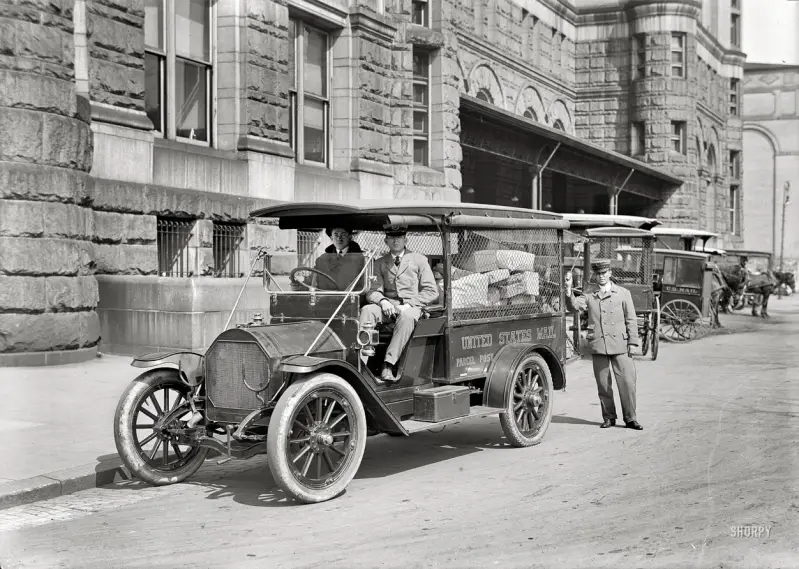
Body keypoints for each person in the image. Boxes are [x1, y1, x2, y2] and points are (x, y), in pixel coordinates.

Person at [564, 259, 643, 430]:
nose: (601, 277)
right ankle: (609, 417)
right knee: (603, 385)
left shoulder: (623, 293)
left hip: (621, 344)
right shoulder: (590, 296)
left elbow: (631, 319)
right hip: (600, 344)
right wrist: (569, 288)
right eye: (598, 274)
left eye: (604, 273)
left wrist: (633, 342)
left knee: (627, 383)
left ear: (610, 273)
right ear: (595, 275)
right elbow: (574, 307)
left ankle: (630, 418)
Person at [359, 229, 439, 383]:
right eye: (391, 238)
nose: (396, 241)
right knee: (367, 310)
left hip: (412, 307)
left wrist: (409, 304)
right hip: (388, 306)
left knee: (407, 317)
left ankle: (388, 364)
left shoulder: (419, 259)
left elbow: (431, 291)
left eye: (399, 238)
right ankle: (360, 363)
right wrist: (383, 301)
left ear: (405, 240)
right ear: (386, 241)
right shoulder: (380, 262)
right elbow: (372, 291)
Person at [291, 227, 365, 291]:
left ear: (350, 237)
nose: (339, 238)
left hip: (350, 301)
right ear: (331, 238)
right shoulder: (322, 260)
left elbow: (363, 285)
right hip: (324, 301)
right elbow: (311, 281)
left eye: (343, 234)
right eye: (336, 235)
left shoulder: (360, 259)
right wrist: (300, 285)